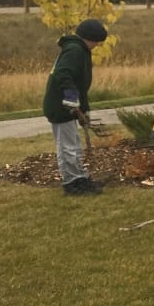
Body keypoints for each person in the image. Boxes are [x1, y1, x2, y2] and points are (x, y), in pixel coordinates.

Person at [43, 18, 108, 196]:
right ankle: (71, 183)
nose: (96, 46)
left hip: (69, 106)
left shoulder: (79, 50)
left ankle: (79, 177)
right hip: (60, 106)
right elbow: (62, 73)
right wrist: (71, 97)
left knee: (74, 145)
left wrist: (85, 110)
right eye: (96, 42)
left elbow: (81, 83)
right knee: (67, 147)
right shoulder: (74, 50)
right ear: (89, 39)